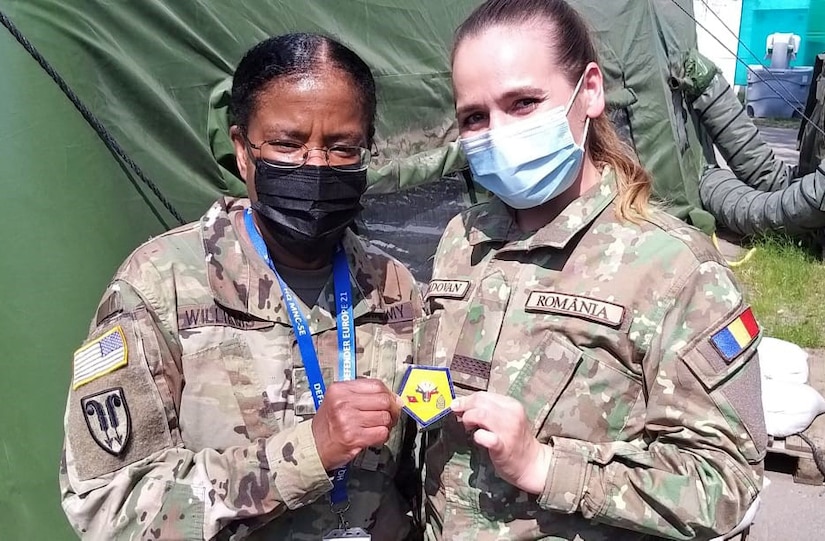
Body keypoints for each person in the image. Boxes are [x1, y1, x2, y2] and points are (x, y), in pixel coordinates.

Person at [419, 0, 766, 539]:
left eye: (524, 102)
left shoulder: (676, 268)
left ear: (590, 92)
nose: (498, 132)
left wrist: (546, 466)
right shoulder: (461, 240)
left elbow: (725, 485)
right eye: (475, 117)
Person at [60, 33, 424, 540]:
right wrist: (304, 455)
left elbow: (421, 477)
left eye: (342, 148)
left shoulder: (395, 292)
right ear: (242, 150)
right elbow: (108, 507)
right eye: (287, 144)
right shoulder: (161, 284)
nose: (315, 167)